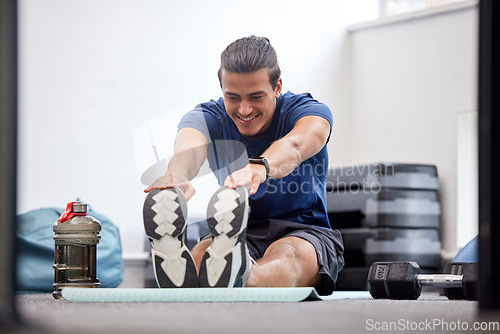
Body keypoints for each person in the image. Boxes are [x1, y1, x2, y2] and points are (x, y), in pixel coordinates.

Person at [143, 36, 344, 295]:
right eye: (233, 97)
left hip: (304, 230)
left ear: (277, 87)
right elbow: (189, 149)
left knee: (287, 255)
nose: (244, 109)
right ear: (222, 90)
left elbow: (296, 145)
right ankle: (213, 270)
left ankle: (241, 278)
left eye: (256, 97)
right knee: (201, 257)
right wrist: (177, 173)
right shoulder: (208, 116)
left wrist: (260, 166)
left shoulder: (308, 110)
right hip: (237, 232)